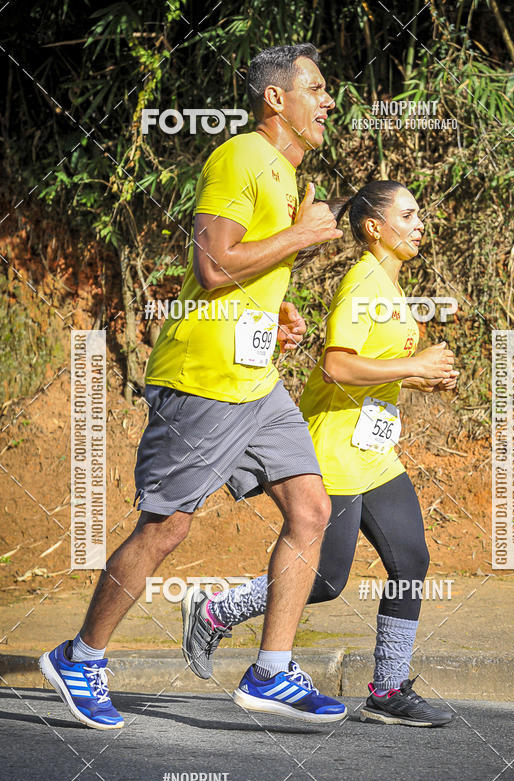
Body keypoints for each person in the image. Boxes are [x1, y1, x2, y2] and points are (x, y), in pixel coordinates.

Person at [39, 43, 348, 729]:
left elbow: (244, 271)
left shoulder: (287, 177)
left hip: (256, 380)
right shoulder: (241, 156)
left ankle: (272, 671)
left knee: (311, 509)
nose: (329, 101)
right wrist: (299, 238)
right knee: (167, 527)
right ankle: (81, 657)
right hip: (205, 378)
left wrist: (277, 311)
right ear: (277, 99)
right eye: (317, 88)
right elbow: (212, 264)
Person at [184, 180, 459, 726]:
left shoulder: (390, 285)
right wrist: (414, 366)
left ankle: (386, 691)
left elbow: (371, 372)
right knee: (327, 581)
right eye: (408, 215)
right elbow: (336, 365)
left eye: (419, 213)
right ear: (374, 228)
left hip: (376, 454)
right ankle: (217, 609)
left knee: (411, 559)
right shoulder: (363, 284)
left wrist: (418, 380)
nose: (420, 223)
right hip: (334, 450)